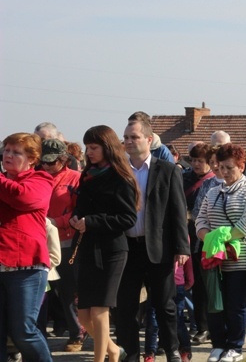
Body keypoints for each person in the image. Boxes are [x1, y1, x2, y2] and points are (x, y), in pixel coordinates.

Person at [116, 119, 190, 362]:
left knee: (164, 305)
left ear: (149, 140)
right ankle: (130, 354)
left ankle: (172, 351)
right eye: (125, 137)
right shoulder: (118, 171)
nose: (128, 141)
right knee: (126, 306)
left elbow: (178, 211)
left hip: (158, 248)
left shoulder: (167, 170)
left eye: (134, 137)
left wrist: (182, 247)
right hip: (127, 249)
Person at [70, 125, 138, 362]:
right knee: (84, 314)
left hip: (112, 251)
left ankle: (103, 359)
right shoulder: (87, 175)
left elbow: (128, 218)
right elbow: (81, 206)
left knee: (100, 310)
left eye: (94, 147)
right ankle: (113, 349)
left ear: (107, 147)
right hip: (88, 248)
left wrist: (92, 221)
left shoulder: (121, 177)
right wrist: (76, 217)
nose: (89, 152)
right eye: (87, 147)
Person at [195, 144, 246, 362]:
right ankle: (218, 344)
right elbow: (200, 219)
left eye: (229, 168)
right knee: (215, 303)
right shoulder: (214, 190)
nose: (224, 172)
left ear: (241, 166)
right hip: (214, 259)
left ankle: (235, 347)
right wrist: (209, 238)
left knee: (235, 304)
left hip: (240, 259)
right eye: (221, 167)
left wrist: (221, 238)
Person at [0, 132, 54, 362]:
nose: (8, 155)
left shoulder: (41, 180)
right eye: (6, 150)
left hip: (27, 267)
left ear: (32, 159)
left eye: (16, 152)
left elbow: (22, 198)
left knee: (24, 331)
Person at [40, 138, 85, 352]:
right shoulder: (37, 177)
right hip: (41, 239)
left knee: (68, 289)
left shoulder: (76, 179)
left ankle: (77, 331)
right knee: (49, 289)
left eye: (52, 162)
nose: (47, 167)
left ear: (63, 160)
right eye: (44, 162)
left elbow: (80, 210)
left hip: (66, 239)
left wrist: (57, 222)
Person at [183, 143, 216, 347]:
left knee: (206, 286)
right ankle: (198, 325)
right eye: (193, 160)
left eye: (200, 161)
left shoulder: (213, 182)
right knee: (191, 284)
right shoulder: (183, 177)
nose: (195, 164)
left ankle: (207, 327)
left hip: (206, 238)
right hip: (185, 236)